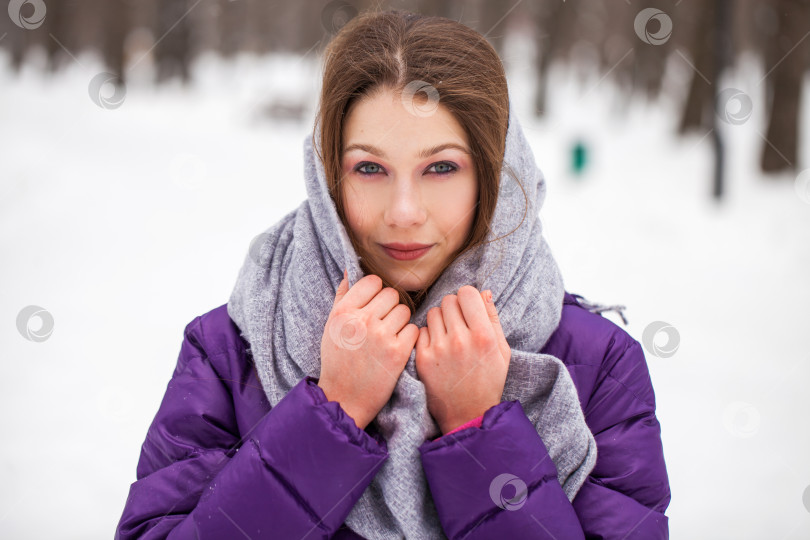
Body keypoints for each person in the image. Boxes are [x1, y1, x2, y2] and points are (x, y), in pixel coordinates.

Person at [115, 9, 670, 540]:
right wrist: (331, 416)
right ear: (328, 177)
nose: (403, 211)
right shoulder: (231, 352)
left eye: (442, 167)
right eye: (370, 168)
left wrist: (480, 430)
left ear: (497, 176)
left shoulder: (598, 366)